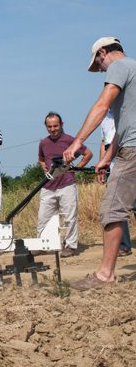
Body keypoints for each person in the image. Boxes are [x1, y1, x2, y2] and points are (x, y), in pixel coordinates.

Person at [63, 37, 136, 289]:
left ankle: (105, 275)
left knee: (111, 208)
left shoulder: (119, 66)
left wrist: (77, 142)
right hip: (128, 144)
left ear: (103, 52)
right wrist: (106, 158)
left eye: (99, 64)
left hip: (134, 151)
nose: (102, 70)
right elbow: (125, 127)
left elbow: (102, 104)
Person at [37, 112, 92, 258]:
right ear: (46, 127)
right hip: (48, 185)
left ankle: (70, 245)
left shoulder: (70, 140)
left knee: (70, 217)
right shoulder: (43, 142)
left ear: (61, 125)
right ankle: (43, 244)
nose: (53, 129)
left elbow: (88, 154)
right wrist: (43, 166)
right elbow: (41, 158)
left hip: (67, 184)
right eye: (49, 126)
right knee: (44, 217)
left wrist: (76, 168)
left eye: (55, 126)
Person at [100, 110, 133, 257]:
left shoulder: (129, 112)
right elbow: (104, 143)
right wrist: (102, 165)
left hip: (130, 162)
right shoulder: (104, 119)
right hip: (113, 167)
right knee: (116, 208)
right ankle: (123, 245)